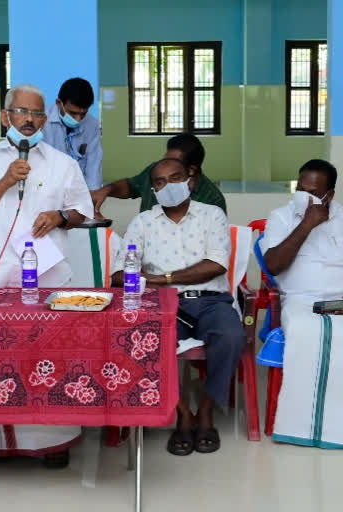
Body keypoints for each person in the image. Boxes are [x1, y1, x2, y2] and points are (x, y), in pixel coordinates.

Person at [0, 84, 94, 467]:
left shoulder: (62, 162)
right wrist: (5, 180)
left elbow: (81, 210)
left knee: (49, 358)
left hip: (48, 276)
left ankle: (55, 443)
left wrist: (59, 217)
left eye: (37, 114)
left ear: (44, 119)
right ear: (6, 117)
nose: (30, 120)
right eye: (21, 112)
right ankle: (2, 442)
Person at [111, 157, 245, 456]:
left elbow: (216, 265)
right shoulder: (143, 222)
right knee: (151, 342)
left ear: (191, 180)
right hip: (162, 302)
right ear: (153, 190)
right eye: (160, 182)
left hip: (210, 299)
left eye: (175, 178)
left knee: (232, 336)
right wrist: (138, 278)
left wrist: (160, 278)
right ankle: (183, 414)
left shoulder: (212, 215)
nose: (167, 186)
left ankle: (206, 410)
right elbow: (120, 273)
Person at [261, 159, 343, 448]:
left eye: (313, 192)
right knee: (305, 329)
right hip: (300, 301)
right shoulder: (281, 217)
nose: (303, 197)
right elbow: (273, 265)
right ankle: (301, 426)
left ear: (329, 196)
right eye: (300, 189)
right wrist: (306, 224)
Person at [91, 133, 226, 215]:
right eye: (165, 159)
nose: (165, 166)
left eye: (172, 163)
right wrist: (107, 190)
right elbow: (131, 186)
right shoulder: (156, 172)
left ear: (191, 170)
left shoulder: (212, 200)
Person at [42, 77, 103, 190]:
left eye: (83, 114)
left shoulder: (92, 125)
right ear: (59, 103)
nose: (78, 119)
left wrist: (92, 196)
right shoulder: (42, 120)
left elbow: (94, 165)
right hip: (46, 188)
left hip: (77, 188)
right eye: (73, 113)